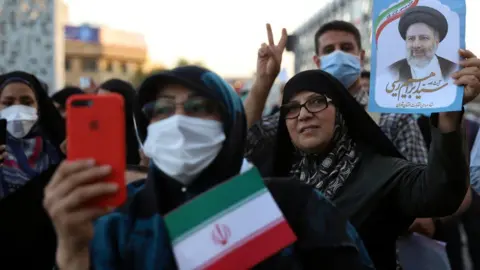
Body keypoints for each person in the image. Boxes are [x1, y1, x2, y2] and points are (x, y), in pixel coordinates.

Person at [44, 66, 372, 270]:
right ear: (145, 128)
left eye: (199, 107)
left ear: (231, 120)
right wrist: (71, 252)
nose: (179, 121)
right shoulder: (116, 219)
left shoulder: (293, 204)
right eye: (160, 109)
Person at [262, 68, 475, 269]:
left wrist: (448, 118)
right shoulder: (274, 185)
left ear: (341, 111)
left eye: (317, 102)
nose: (303, 115)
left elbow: (441, 193)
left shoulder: (382, 173)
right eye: (292, 108)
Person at [245, 21, 428, 168]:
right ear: (318, 61)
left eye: (346, 47)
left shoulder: (394, 118)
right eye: (329, 50)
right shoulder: (298, 117)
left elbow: (422, 195)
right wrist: (264, 79)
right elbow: (245, 139)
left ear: (361, 57)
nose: (338, 54)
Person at [0, 71, 66, 269]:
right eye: (8, 103)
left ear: (40, 107)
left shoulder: (59, 153)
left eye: (27, 102)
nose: (17, 109)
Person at [388, 6, 456, 82]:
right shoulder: (392, 71)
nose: (416, 45)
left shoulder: (453, 69)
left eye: (424, 38)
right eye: (411, 38)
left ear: (436, 41)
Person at [97, 79, 141, 166]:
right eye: (97, 101)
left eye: (105, 102)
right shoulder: (97, 131)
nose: (99, 107)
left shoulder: (140, 133)